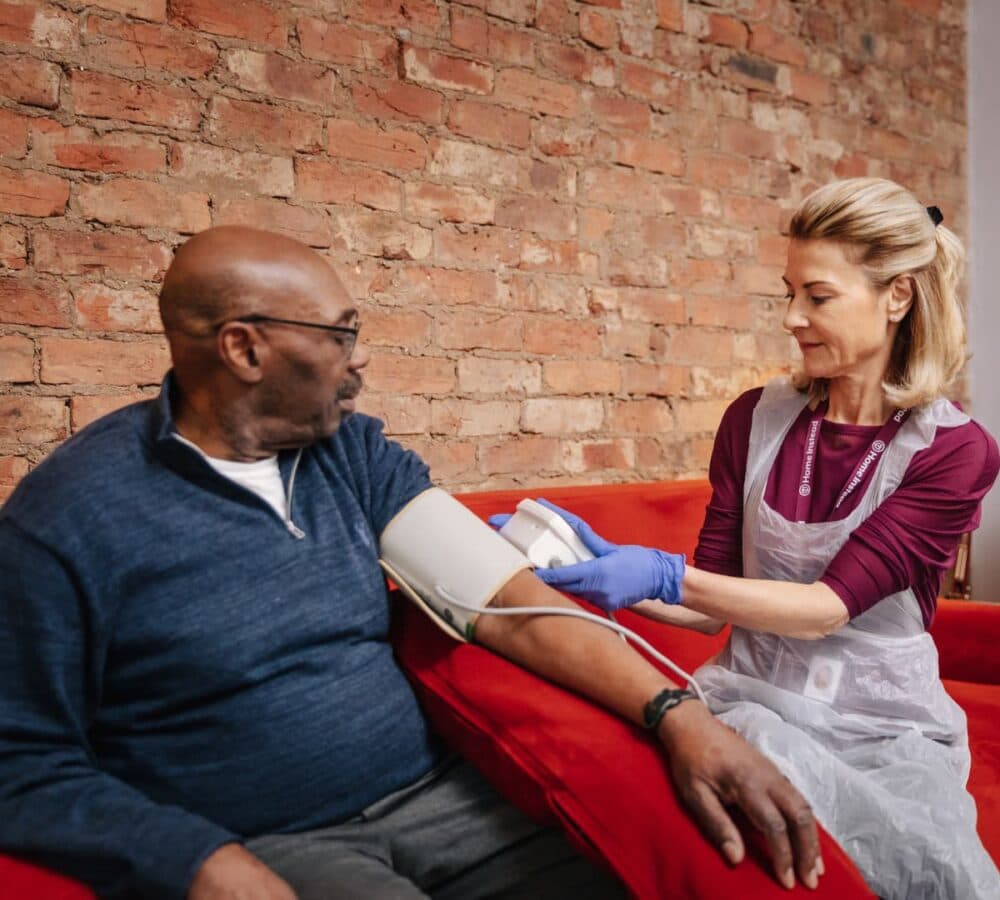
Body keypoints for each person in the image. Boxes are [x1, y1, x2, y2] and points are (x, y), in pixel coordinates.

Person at [0, 226, 823, 900]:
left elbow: (505, 601)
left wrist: (680, 717)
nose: (360, 360)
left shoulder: (350, 455)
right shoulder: (70, 517)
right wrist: (198, 862)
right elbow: (20, 758)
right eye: (340, 334)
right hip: (276, 842)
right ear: (243, 349)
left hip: (445, 803)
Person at [512, 178, 1000, 899]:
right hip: (751, 700)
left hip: (881, 728)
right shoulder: (754, 418)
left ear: (896, 297)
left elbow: (830, 606)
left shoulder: (954, 451)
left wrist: (660, 574)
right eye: (789, 292)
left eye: (818, 295)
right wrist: (587, 565)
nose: (793, 317)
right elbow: (710, 611)